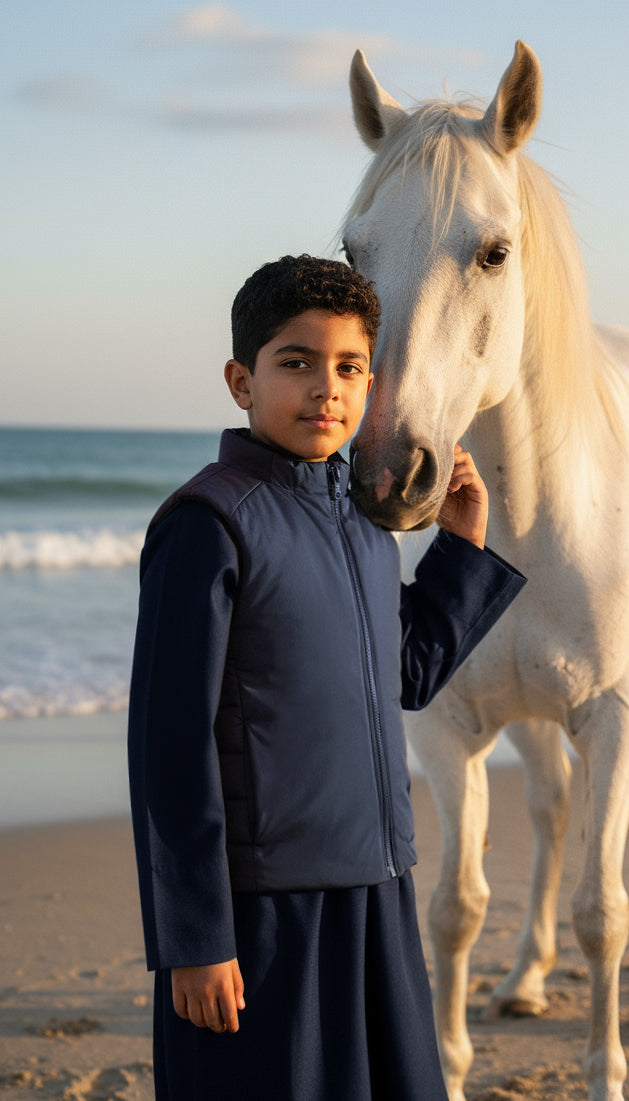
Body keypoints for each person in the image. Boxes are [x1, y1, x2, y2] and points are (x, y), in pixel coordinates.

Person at [128, 254, 526, 1101]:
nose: (326, 389)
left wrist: (460, 547)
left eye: (349, 367)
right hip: (263, 911)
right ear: (242, 380)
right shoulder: (209, 522)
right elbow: (169, 745)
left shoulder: (366, 522)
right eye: (297, 362)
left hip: (378, 889)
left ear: (371, 383)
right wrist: (194, 938)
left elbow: (405, 673)